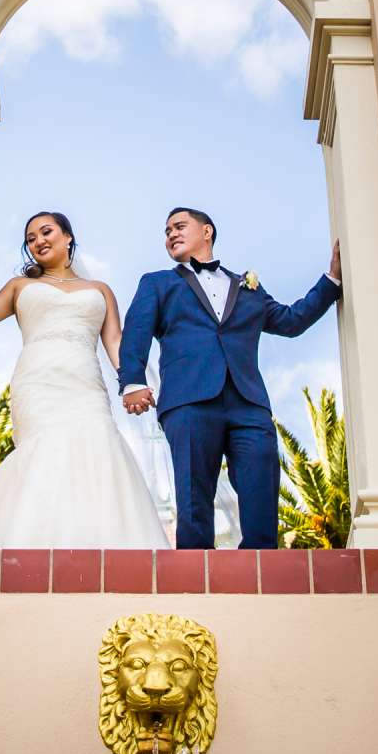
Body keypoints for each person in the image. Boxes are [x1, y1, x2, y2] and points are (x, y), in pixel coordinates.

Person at [118, 207, 340, 550]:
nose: (171, 235)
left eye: (179, 226)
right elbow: (136, 331)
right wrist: (132, 381)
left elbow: (292, 321)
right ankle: (194, 578)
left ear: (207, 231)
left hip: (247, 403)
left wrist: (332, 281)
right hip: (188, 402)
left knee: (262, 488)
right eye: (166, 231)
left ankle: (261, 570)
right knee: (194, 499)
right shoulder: (157, 283)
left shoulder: (248, 287)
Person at [0, 212, 168, 549]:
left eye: (46, 232)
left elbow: (114, 343)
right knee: (43, 454)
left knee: (96, 452)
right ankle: (35, 546)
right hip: (37, 382)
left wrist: (133, 383)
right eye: (30, 238)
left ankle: (92, 546)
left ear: (67, 237)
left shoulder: (100, 290)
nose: (38, 241)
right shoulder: (20, 286)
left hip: (86, 384)